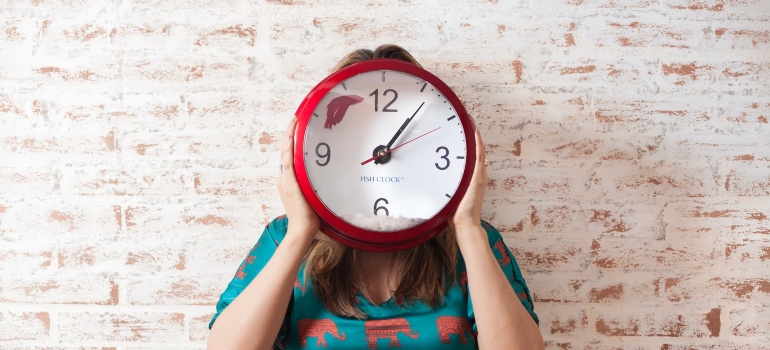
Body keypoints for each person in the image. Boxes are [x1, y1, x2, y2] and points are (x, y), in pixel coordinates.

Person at [206, 45, 544, 350]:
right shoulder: (284, 238)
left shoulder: (472, 242)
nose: (380, 153)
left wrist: (467, 226)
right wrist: (300, 232)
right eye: (358, 137)